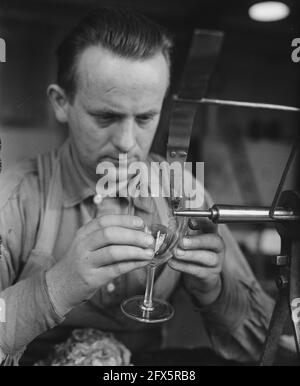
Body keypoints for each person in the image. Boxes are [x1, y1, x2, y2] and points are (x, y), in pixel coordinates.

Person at [0, 7, 273, 366]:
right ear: (61, 103)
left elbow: (269, 344)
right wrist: (57, 285)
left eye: (145, 118)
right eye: (106, 117)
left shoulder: (184, 192)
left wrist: (216, 291)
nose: (127, 142)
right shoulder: (14, 198)